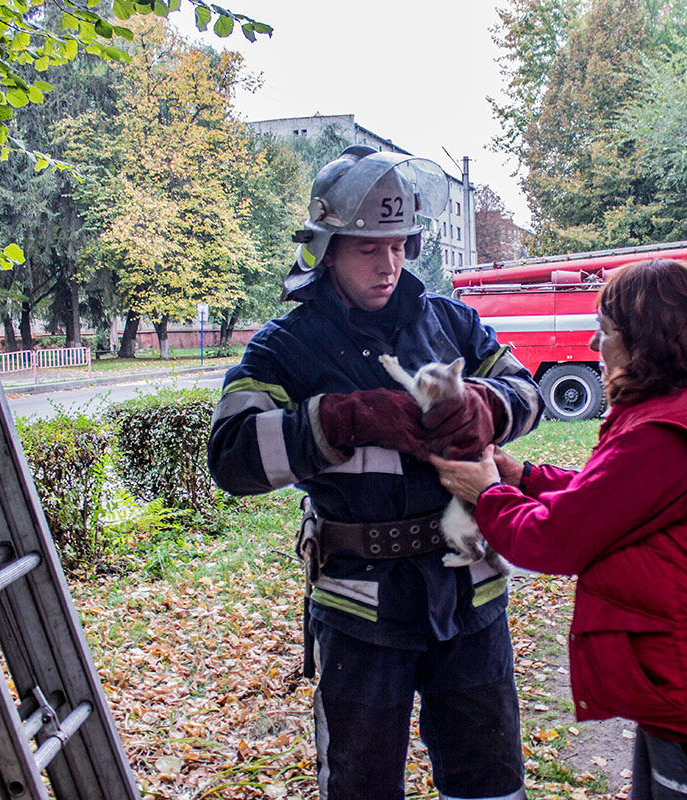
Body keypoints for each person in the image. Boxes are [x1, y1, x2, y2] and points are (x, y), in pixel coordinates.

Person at [207, 146, 543, 800]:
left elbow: (527, 392)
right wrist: (343, 419)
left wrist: (488, 404)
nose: (388, 264)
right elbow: (231, 456)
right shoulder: (284, 346)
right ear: (327, 250)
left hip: (469, 598)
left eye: (397, 245)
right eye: (367, 248)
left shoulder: (452, 322)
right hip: (358, 607)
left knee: (491, 785)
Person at [430, 259, 687, 800]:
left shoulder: (666, 432)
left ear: (647, 341)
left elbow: (556, 540)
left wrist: (490, 494)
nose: (594, 344)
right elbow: (615, 497)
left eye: (606, 330)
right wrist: (527, 478)